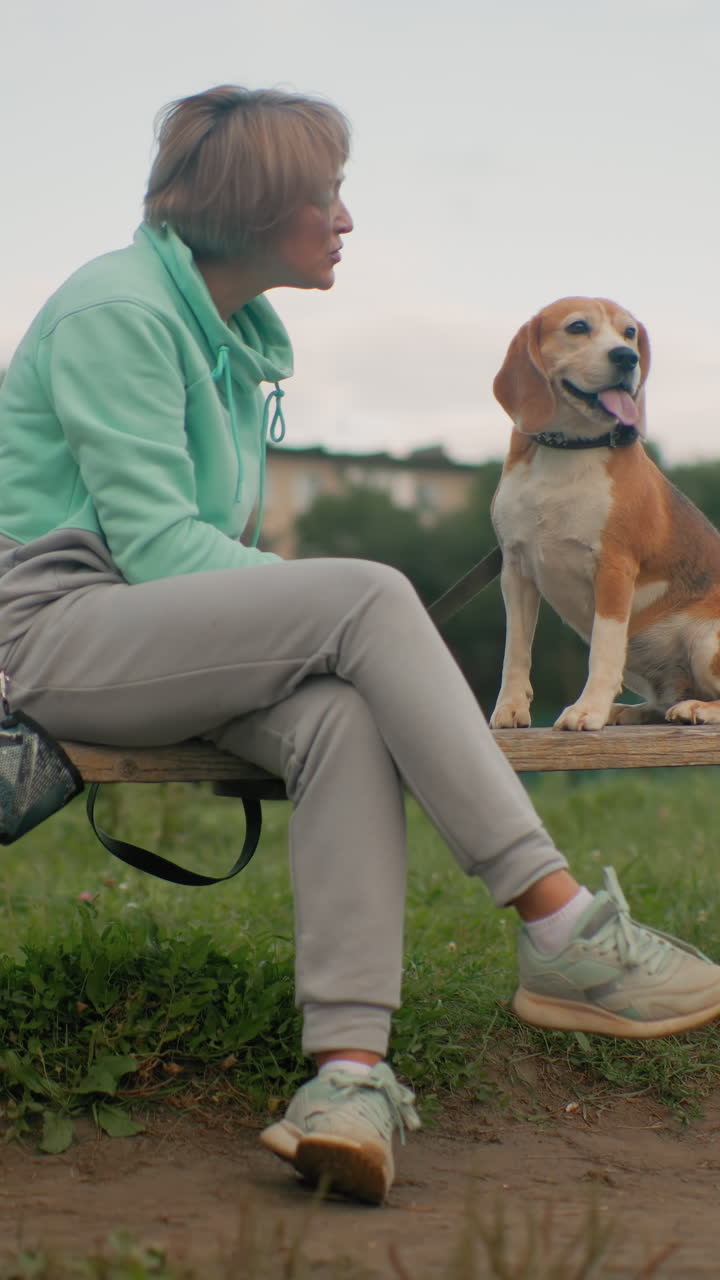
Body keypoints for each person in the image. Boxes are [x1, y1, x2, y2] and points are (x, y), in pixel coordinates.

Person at [1, 85, 719, 1206]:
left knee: (342, 716)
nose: (346, 219)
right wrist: (336, 607)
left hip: (146, 634)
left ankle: (350, 1075)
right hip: (54, 625)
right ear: (255, 205)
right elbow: (153, 548)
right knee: (365, 600)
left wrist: (338, 629)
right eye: (328, 197)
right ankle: (561, 922)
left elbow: (189, 568)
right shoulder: (120, 313)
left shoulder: (227, 339)